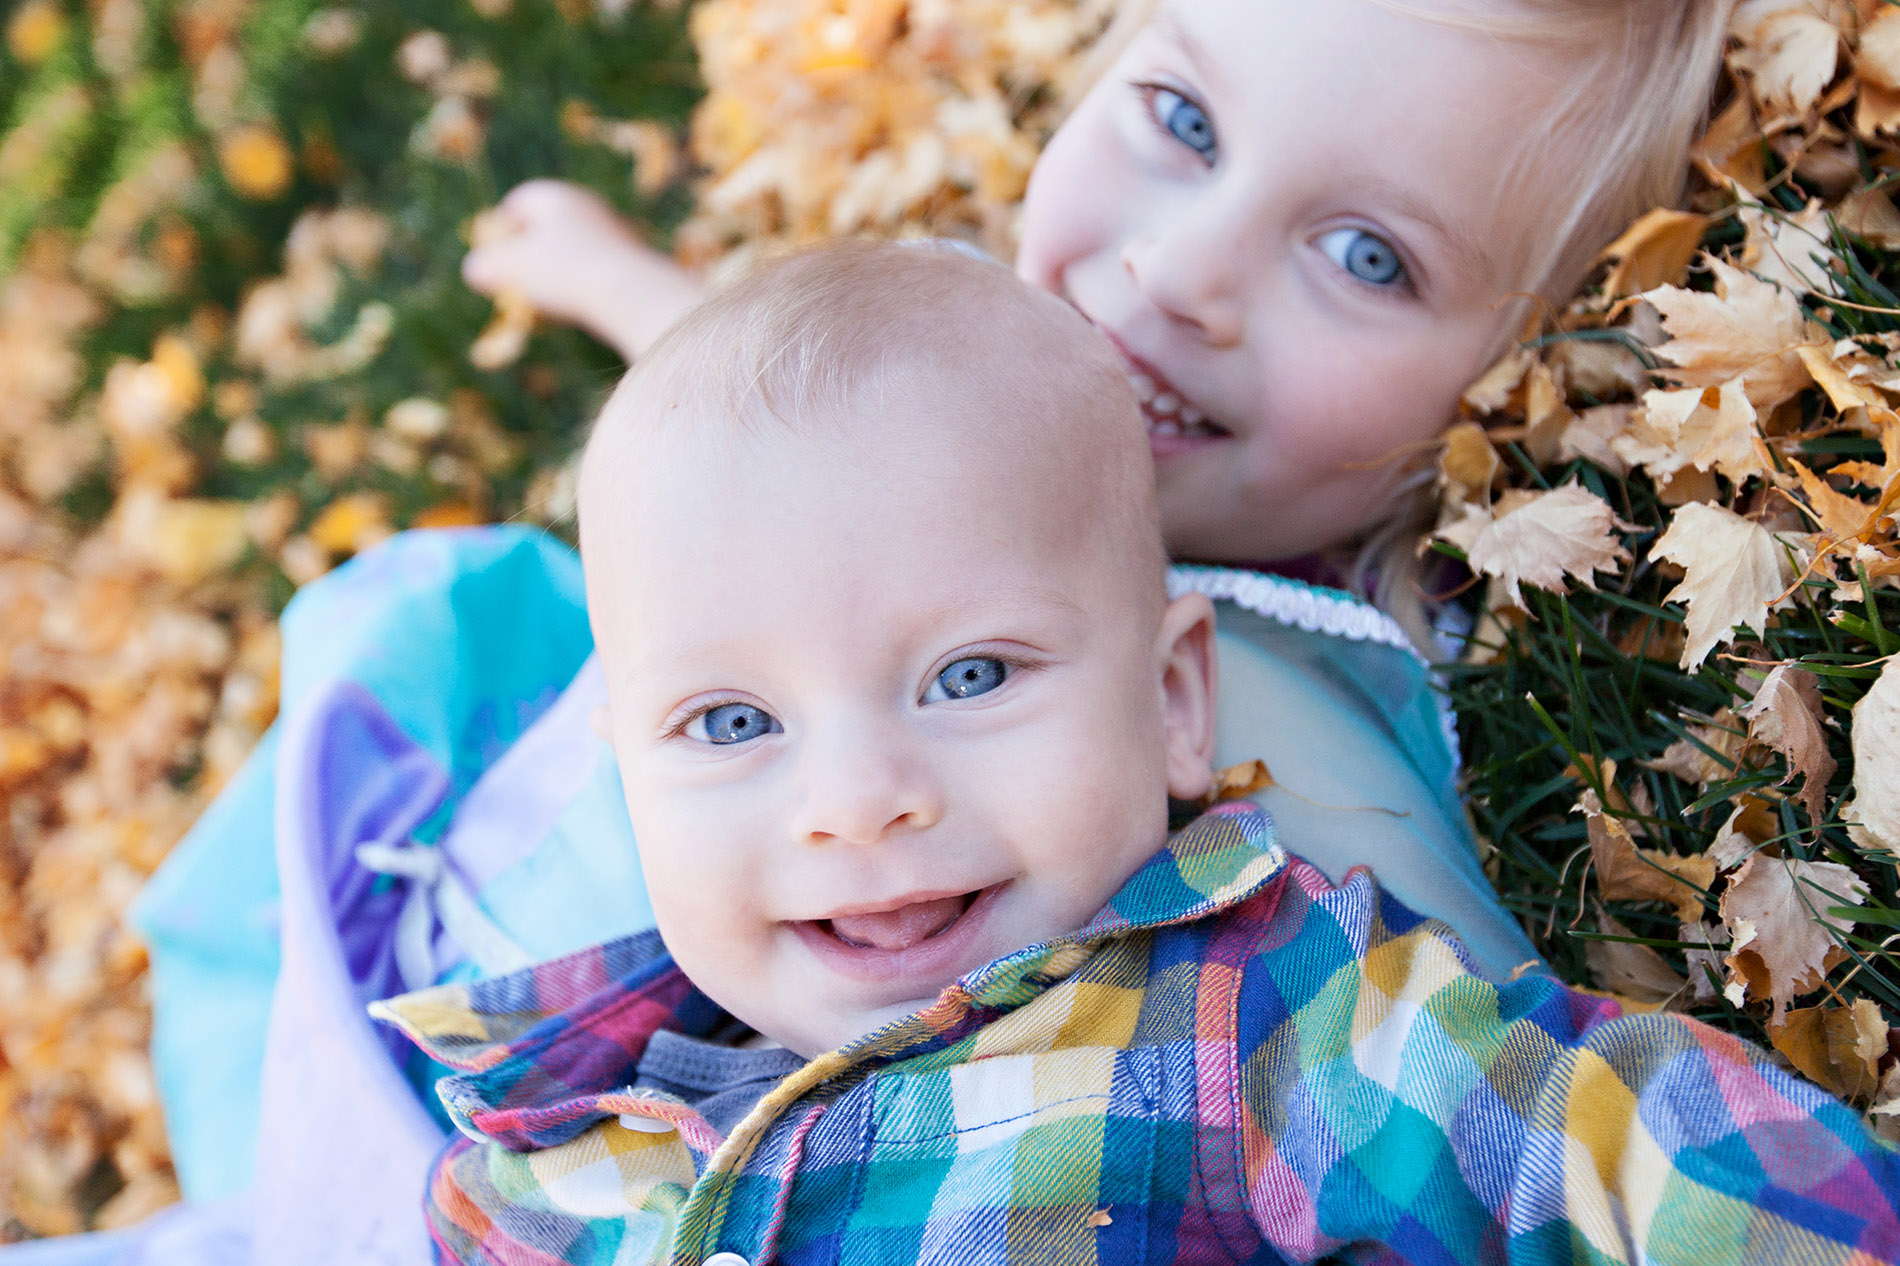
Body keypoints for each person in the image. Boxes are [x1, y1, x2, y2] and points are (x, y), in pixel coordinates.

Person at [52, 0, 1735, 1261]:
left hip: (497, 1130)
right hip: (476, 986)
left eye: (1366, 255)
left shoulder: (1269, 683)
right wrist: (623, 284)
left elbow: (1489, 1047)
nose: (1178, 270)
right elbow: (785, 439)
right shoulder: (994, 373)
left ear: (1526, 364)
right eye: (1181, 120)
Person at [377, 239, 1900, 1266]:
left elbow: (1620, 1152)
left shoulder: (1253, 1031)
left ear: (1175, 701)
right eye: (731, 724)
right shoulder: (530, 1152)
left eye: (970, 675)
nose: (856, 804)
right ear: (624, 774)